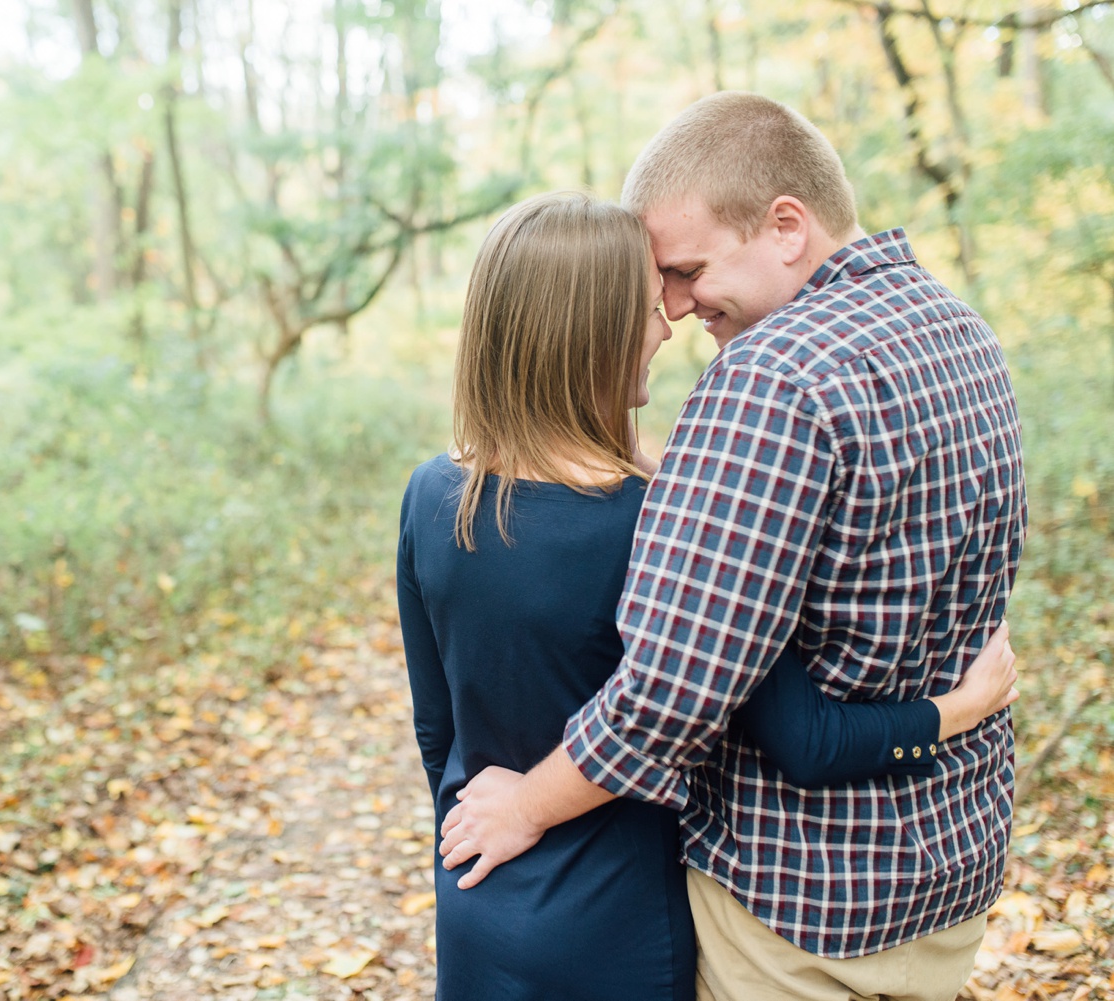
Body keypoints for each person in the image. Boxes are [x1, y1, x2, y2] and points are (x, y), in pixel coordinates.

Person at [435, 94, 1027, 1001]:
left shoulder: (764, 379)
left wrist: (521, 805)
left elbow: (670, 693)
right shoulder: (961, 332)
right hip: (952, 876)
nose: (673, 305)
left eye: (687, 268)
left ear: (785, 226)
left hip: (798, 909)